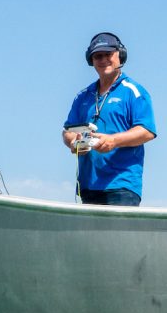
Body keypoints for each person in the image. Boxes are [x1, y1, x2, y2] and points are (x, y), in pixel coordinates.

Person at [63, 32, 156, 206]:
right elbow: (67, 132)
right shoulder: (82, 96)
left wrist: (113, 141)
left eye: (108, 54)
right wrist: (74, 143)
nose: (104, 59)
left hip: (121, 185)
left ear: (120, 56)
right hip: (88, 185)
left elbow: (146, 131)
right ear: (91, 61)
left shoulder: (133, 91)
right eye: (98, 56)